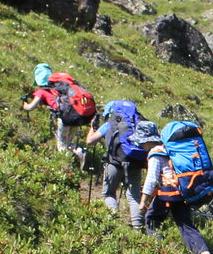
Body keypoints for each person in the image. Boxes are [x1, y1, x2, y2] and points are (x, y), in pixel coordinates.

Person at [84, 100, 155, 231]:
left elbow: (90, 141)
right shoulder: (137, 123)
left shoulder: (110, 123)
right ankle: (138, 227)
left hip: (114, 163)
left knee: (108, 193)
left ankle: (113, 220)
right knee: (134, 196)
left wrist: (92, 128)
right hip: (135, 162)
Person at [22, 64, 94, 161]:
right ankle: (79, 151)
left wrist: (25, 105)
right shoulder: (59, 89)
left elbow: (31, 107)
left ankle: (66, 164)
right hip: (75, 115)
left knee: (62, 145)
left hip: (64, 119)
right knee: (69, 142)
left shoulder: (41, 91)